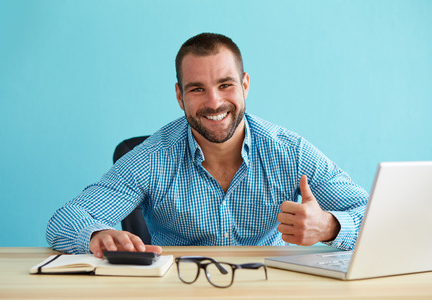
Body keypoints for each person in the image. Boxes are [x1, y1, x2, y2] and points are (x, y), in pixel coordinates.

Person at [46, 33, 368, 258]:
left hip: (269, 290)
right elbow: (65, 219)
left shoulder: (289, 151)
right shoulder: (151, 158)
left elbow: (375, 215)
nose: (214, 102)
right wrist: (95, 236)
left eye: (225, 84)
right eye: (197, 89)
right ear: (179, 96)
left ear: (245, 85)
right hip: (178, 291)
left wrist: (330, 226)